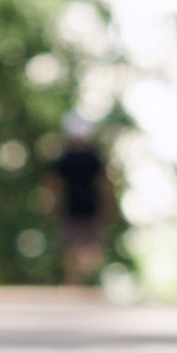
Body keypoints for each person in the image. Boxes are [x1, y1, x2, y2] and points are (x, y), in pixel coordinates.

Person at [46, 117, 111, 285]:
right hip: (73, 208)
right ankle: (75, 280)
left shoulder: (84, 158)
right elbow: (56, 183)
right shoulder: (75, 158)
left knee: (84, 247)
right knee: (72, 246)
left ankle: (80, 277)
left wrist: (107, 203)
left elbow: (103, 182)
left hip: (87, 207)